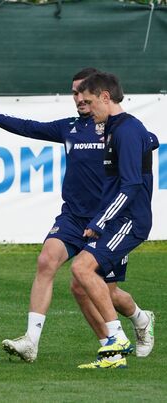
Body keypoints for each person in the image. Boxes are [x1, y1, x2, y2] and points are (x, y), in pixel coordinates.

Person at [0, 68, 154, 364]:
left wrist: (144, 143)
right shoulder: (73, 128)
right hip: (76, 218)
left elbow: (137, 163)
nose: (79, 100)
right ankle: (38, 341)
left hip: (112, 220)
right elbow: (28, 126)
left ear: (100, 96)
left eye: (84, 94)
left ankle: (140, 320)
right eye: (75, 93)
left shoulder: (120, 129)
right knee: (51, 262)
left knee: (105, 290)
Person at [72, 72, 158, 368]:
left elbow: (131, 185)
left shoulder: (126, 130)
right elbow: (148, 144)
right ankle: (139, 321)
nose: (86, 108)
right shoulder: (116, 128)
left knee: (81, 268)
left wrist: (100, 221)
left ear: (105, 97)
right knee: (94, 288)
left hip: (128, 221)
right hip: (114, 219)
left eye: (90, 102)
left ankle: (116, 341)